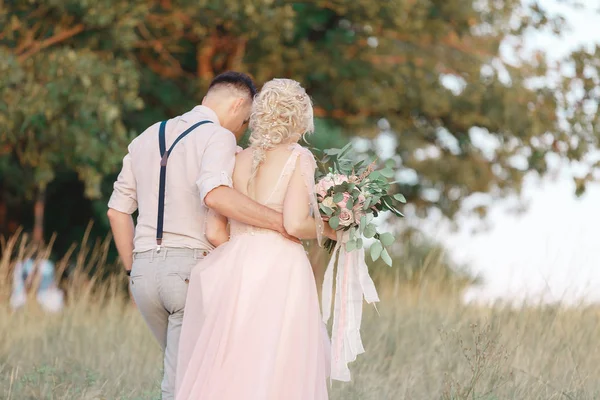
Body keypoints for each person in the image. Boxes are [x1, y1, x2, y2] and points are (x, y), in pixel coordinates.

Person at [107, 71, 297, 400]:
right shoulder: (217, 136)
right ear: (238, 104)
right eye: (246, 120)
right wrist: (280, 222)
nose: (242, 129)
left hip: (142, 276)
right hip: (188, 272)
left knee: (188, 372)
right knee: (184, 384)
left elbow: (117, 211)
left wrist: (130, 269)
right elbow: (215, 195)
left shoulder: (145, 137)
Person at [176, 78, 335, 400]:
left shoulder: (235, 158)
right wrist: (332, 229)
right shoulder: (298, 157)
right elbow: (293, 223)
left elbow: (214, 231)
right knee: (278, 359)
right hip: (280, 268)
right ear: (300, 118)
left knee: (233, 360)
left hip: (234, 265)